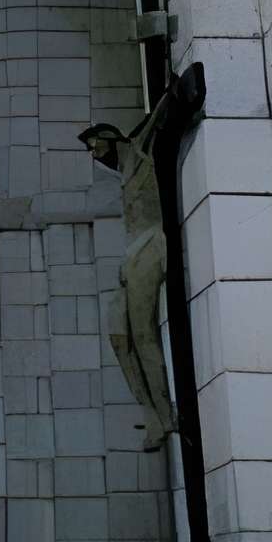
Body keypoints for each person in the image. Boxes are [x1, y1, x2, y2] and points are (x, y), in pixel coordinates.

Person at [80, 100, 177, 449]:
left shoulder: (139, 152)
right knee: (118, 331)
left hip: (152, 246)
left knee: (142, 334)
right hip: (133, 255)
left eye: (96, 148)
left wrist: (171, 89)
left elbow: (158, 115)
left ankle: (163, 417)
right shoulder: (124, 173)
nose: (95, 156)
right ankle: (150, 411)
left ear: (112, 142)